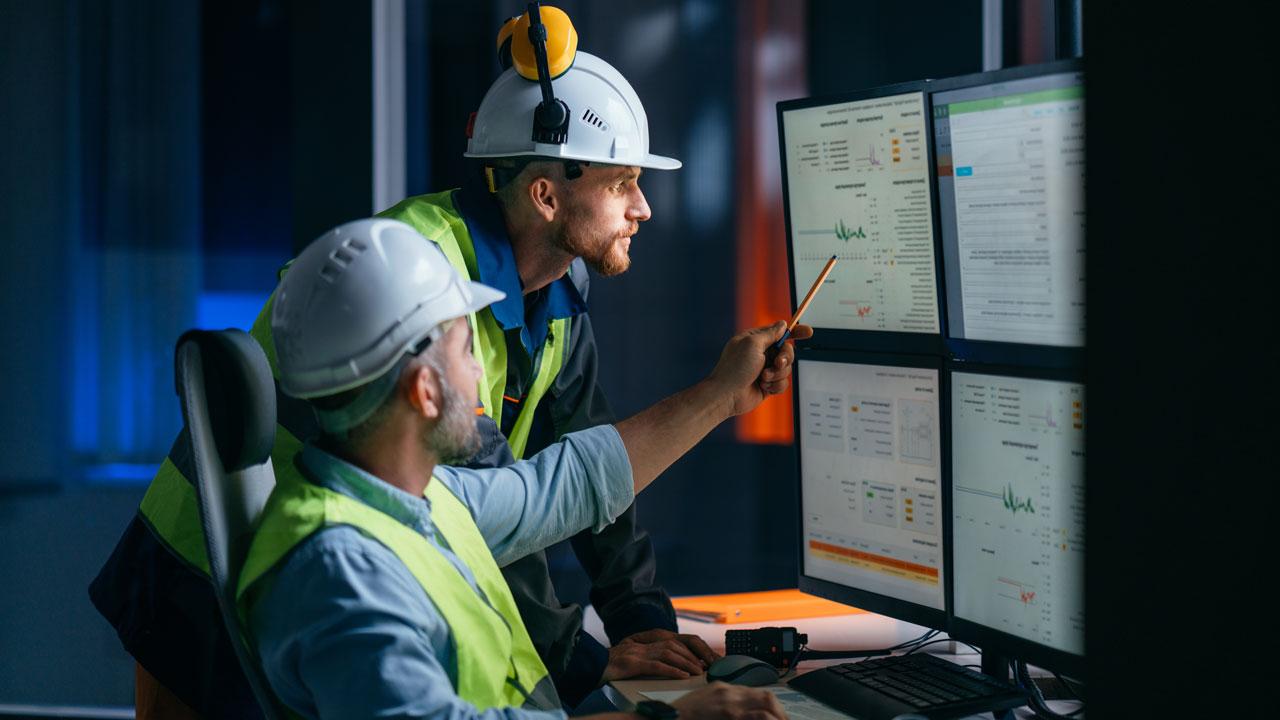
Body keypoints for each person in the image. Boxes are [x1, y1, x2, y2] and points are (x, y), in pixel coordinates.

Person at [89, 6, 739, 716]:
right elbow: (502, 515)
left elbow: (576, 474)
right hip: (220, 563)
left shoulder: (553, 291)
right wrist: (583, 662)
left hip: (342, 550)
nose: (644, 207)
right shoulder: (416, 278)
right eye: (622, 184)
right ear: (546, 195)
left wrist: (639, 620)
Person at [243, 217, 806, 719]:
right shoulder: (341, 572)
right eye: (468, 351)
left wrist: (721, 396)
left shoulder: (414, 498)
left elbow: (561, 487)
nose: (480, 375)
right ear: (425, 392)